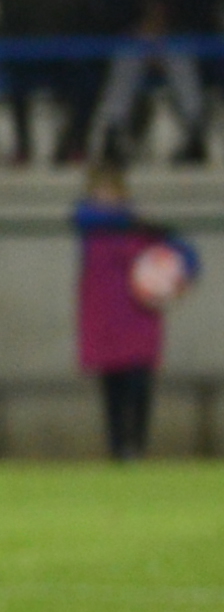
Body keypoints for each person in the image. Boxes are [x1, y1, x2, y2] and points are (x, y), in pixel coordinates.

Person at [75, 150, 195, 457]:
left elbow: (186, 256)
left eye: (110, 192)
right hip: (104, 319)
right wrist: (131, 220)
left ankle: (138, 446)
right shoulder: (94, 226)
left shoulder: (144, 231)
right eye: (99, 192)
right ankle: (118, 449)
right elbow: (80, 216)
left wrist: (182, 277)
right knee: (112, 390)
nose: (105, 199)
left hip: (137, 319)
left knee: (139, 385)